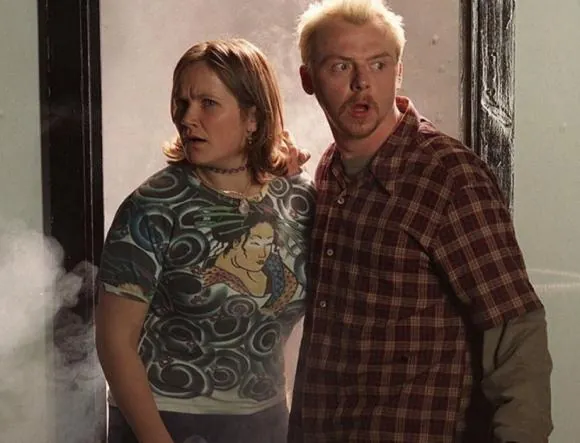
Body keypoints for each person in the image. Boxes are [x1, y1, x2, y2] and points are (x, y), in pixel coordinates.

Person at [287, 1, 553, 442]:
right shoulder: (330, 170)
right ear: (308, 79)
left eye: (378, 64)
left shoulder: (449, 176)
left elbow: (514, 334)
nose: (362, 83)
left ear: (399, 72)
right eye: (341, 66)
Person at [95, 38, 316, 443]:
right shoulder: (152, 207)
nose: (187, 118)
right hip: (163, 421)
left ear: (252, 116)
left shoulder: (300, 199)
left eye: (208, 104)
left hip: (267, 422)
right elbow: (114, 343)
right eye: (181, 102)